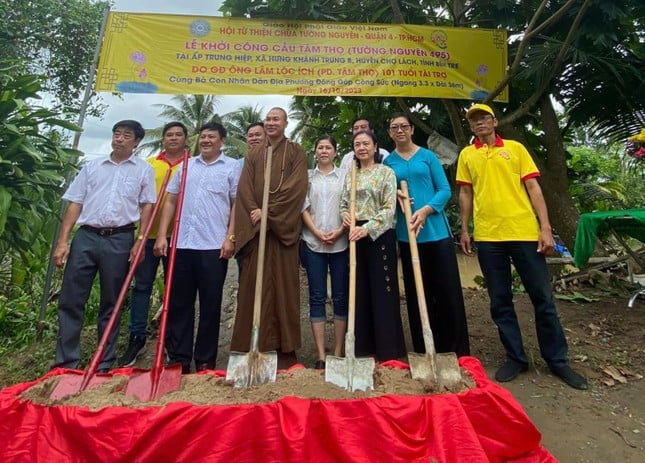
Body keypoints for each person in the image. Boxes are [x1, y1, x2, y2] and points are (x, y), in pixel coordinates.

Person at [456, 103, 588, 390]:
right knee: (500, 300)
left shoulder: (515, 149)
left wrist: (545, 228)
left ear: (494, 121)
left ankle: (557, 361)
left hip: (524, 233)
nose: (479, 123)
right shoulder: (468, 154)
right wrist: (465, 229)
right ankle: (516, 357)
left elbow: (533, 188)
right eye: (474, 120)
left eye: (484, 118)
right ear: (471, 127)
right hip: (489, 236)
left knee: (542, 297)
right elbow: (465, 192)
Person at [52, 120, 156, 372]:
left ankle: (104, 363)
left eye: (126, 135)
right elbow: (75, 202)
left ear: (136, 142)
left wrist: (140, 241)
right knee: (71, 298)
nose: (119, 138)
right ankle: (66, 362)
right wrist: (63, 241)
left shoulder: (143, 170)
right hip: (86, 237)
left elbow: (147, 206)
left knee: (113, 300)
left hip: (120, 239)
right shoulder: (92, 166)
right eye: (116, 133)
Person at [153, 122, 240, 374]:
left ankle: (205, 359)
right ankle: (179, 358)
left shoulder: (232, 167)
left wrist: (230, 237)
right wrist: (162, 236)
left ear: (222, 141)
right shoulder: (185, 167)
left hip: (213, 246)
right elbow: (170, 201)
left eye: (212, 137)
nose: (206, 141)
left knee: (210, 305)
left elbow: (236, 203)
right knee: (179, 304)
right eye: (202, 137)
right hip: (181, 244)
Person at [384, 113, 470, 357]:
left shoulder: (428, 157)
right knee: (416, 293)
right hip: (407, 234)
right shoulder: (389, 164)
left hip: (436, 233)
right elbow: (386, 194)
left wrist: (425, 210)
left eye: (403, 126)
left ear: (412, 130)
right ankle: (423, 348)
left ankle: (455, 349)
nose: (399, 131)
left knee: (447, 292)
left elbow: (444, 190)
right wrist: (395, 196)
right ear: (390, 133)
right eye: (394, 128)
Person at [231, 107, 308, 369]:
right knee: (253, 289)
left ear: (286, 123)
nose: (271, 122)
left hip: (281, 232)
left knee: (285, 290)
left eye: (276, 119)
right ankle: (250, 347)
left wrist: (269, 213)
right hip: (258, 232)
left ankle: (285, 351)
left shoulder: (296, 151)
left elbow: (297, 188)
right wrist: (254, 210)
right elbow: (244, 189)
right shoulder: (254, 154)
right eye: (268, 119)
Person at [118, 121, 188, 367]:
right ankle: (136, 338)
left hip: (178, 238)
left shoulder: (192, 166)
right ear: (163, 139)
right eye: (169, 134)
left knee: (175, 290)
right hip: (147, 237)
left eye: (179, 134)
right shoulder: (149, 165)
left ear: (186, 139)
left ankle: (170, 341)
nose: (173, 138)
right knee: (141, 287)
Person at [339, 130, 406, 361]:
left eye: (366, 143)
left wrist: (367, 228)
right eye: (357, 144)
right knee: (358, 291)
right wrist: (346, 217)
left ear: (375, 146)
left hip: (378, 236)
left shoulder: (386, 173)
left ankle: (388, 351)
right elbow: (344, 203)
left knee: (382, 291)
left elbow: (389, 209)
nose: (361, 148)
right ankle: (362, 350)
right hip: (355, 237)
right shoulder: (351, 174)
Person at [301, 135, 348, 370]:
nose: (324, 151)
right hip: (312, 243)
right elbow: (303, 207)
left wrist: (339, 231)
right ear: (315, 151)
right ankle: (320, 355)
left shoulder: (346, 177)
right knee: (317, 296)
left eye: (328, 147)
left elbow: (350, 206)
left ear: (336, 152)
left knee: (340, 296)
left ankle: (338, 351)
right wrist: (317, 232)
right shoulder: (308, 177)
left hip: (341, 244)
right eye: (320, 147)